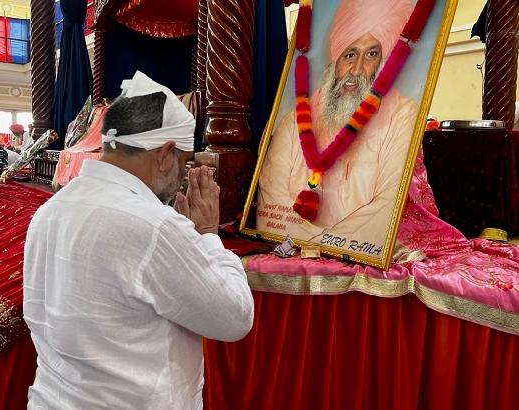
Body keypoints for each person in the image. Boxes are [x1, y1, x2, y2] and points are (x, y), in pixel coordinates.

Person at [23, 71, 254, 409]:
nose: (180, 181)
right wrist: (207, 235)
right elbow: (235, 317)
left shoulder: (51, 210)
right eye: (184, 163)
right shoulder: (152, 225)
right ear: (165, 153)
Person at [257, 0, 418, 253]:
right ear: (336, 55)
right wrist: (327, 243)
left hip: (361, 260)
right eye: (350, 54)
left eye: (372, 54)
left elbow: (386, 209)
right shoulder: (294, 121)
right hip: (296, 255)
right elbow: (270, 206)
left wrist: (318, 244)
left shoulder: (402, 117)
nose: (355, 70)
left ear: (384, 59)